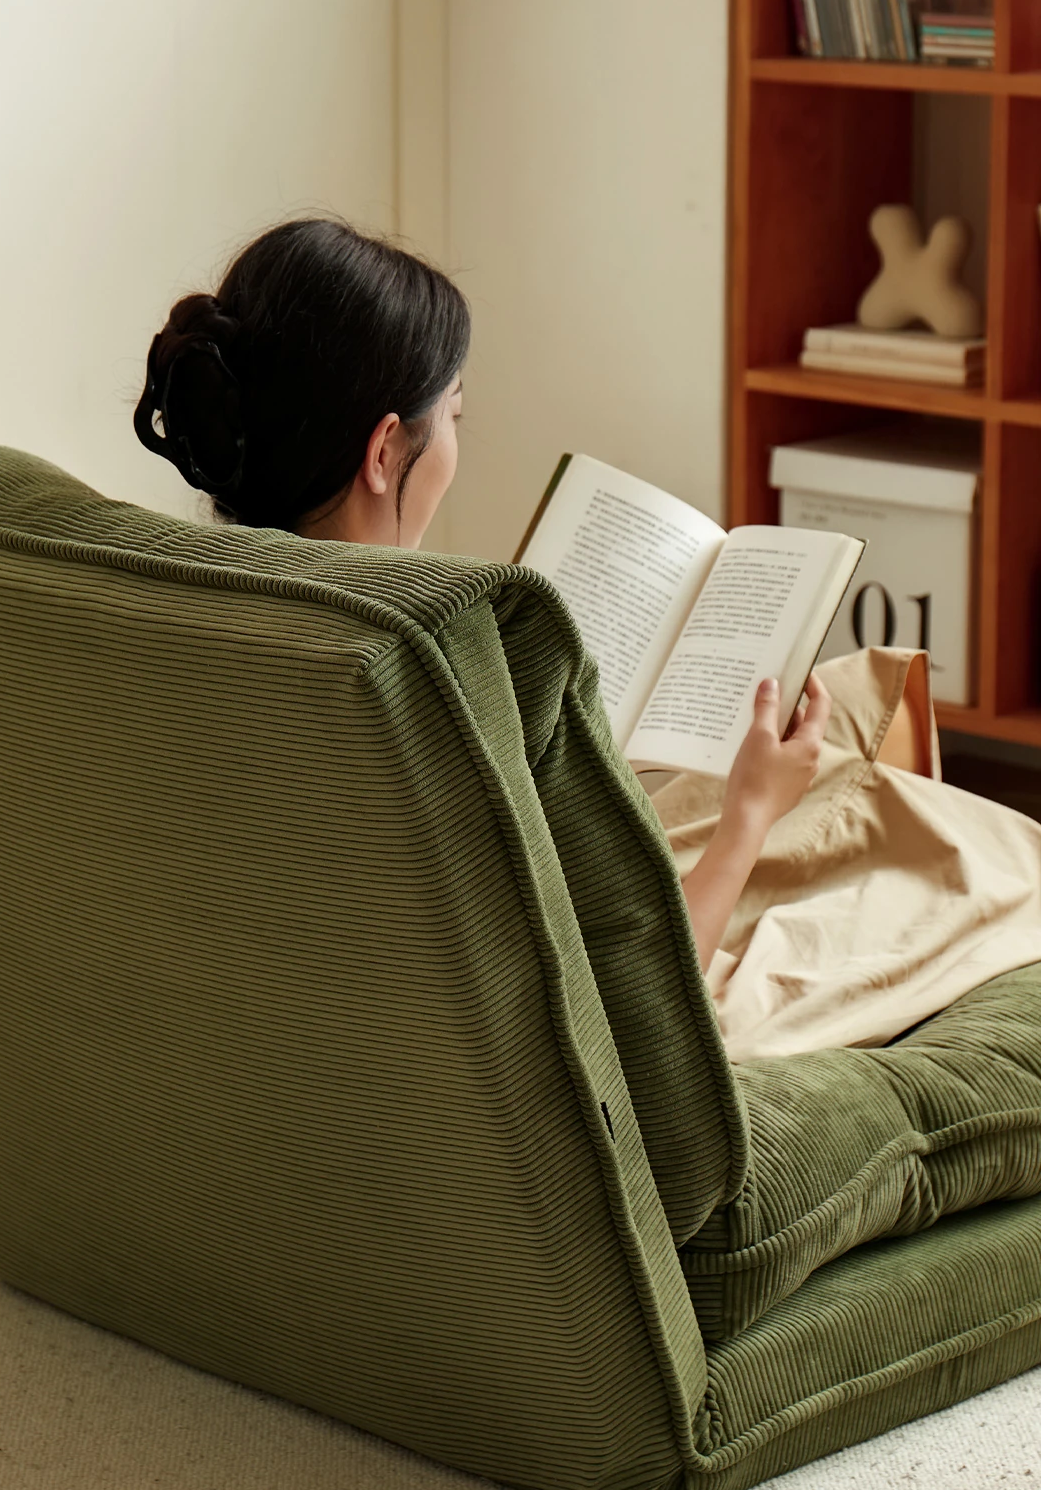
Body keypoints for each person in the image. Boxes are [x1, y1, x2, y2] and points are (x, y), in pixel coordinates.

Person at [136, 217, 1041, 1057]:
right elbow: (628, 1015)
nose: (455, 445)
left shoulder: (167, 618)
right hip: (544, 1035)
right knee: (906, 807)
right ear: (383, 453)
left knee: (837, 711)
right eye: (454, 415)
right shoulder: (428, 688)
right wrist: (750, 815)